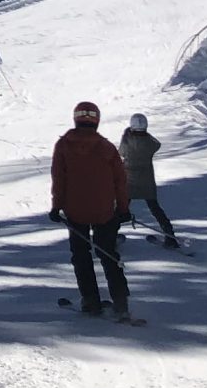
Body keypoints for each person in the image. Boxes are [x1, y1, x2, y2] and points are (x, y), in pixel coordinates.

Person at [50, 100, 132, 318]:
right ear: (96, 120)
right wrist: (123, 208)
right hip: (105, 211)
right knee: (107, 253)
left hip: (75, 211)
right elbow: (120, 181)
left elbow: (59, 179)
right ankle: (121, 301)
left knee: (81, 255)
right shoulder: (106, 147)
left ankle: (90, 300)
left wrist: (56, 207)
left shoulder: (64, 145)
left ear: (76, 119)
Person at [119, 113, 179, 247]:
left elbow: (121, 152)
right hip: (147, 182)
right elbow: (157, 144)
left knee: (120, 209)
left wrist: (125, 135)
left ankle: (109, 236)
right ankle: (170, 236)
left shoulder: (127, 141)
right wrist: (147, 135)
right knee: (156, 209)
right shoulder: (149, 143)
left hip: (129, 181)